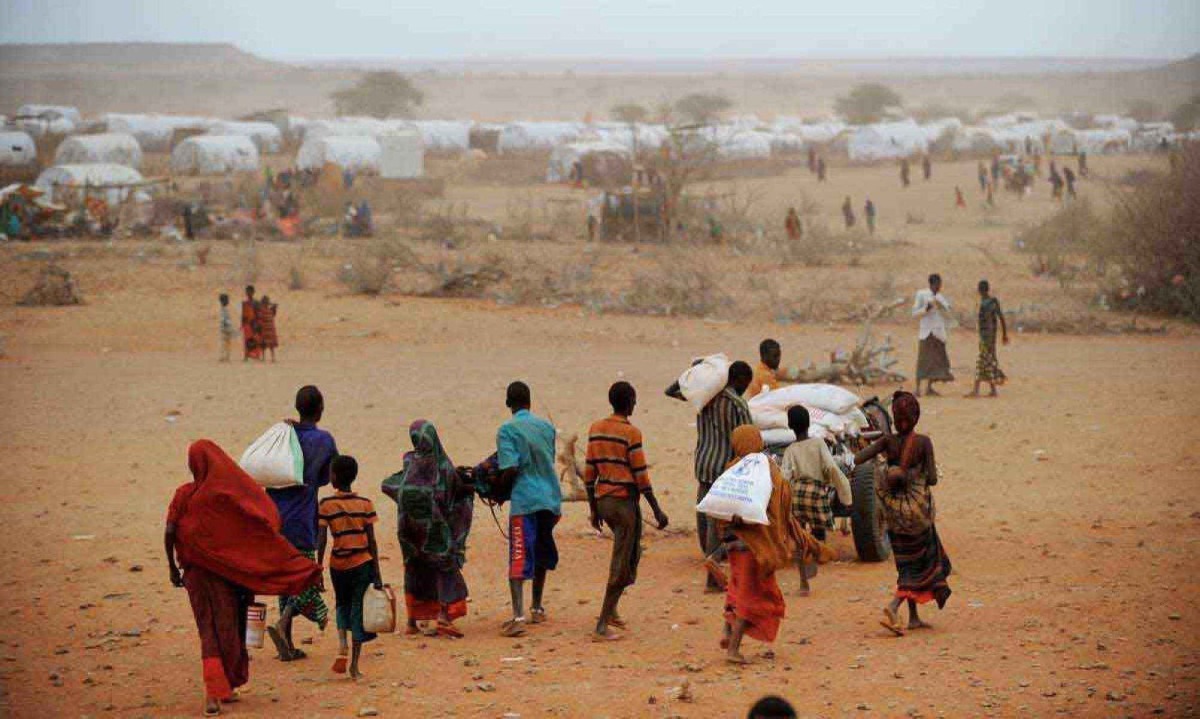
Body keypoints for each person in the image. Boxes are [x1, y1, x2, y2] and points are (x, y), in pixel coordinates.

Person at [166, 440, 322, 716]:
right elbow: (263, 515)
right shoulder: (229, 493)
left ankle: (217, 691)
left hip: (197, 575)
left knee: (209, 630)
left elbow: (170, 532)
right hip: (232, 574)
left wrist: (171, 567)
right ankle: (220, 690)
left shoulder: (184, 494)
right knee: (232, 626)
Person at [854, 392, 952, 635]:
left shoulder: (887, 441)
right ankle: (893, 606)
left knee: (905, 563)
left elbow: (858, 459)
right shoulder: (923, 443)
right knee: (919, 564)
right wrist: (913, 473)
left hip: (894, 516)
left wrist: (887, 463)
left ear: (895, 418)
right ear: (916, 416)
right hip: (918, 516)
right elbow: (932, 479)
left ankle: (914, 617)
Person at [718, 425, 812, 665]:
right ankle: (733, 650)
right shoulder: (768, 470)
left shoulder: (731, 469)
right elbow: (781, 500)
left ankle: (727, 633)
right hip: (756, 546)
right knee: (754, 595)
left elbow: (720, 506)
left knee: (737, 587)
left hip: (733, 543)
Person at [584, 382, 670, 641]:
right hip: (623, 503)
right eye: (634, 400)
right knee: (622, 560)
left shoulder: (596, 429)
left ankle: (611, 611)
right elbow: (641, 476)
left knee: (630, 554)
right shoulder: (631, 433)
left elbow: (590, 473)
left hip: (603, 501)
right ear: (629, 401)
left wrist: (593, 509)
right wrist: (657, 509)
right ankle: (601, 624)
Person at [381, 420, 474, 639]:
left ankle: (412, 622)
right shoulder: (442, 467)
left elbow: (389, 485)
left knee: (414, 569)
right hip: (434, 531)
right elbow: (456, 492)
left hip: (408, 531)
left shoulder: (409, 462)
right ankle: (443, 615)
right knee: (444, 567)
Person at [267, 386, 338, 661]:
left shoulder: (283, 433)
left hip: (273, 516)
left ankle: (287, 644)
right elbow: (329, 476)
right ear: (320, 408)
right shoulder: (324, 440)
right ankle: (284, 621)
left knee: (287, 574)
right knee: (304, 574)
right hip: (301, 517)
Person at [496, 381, 561, 637]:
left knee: (519, 556)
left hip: (524, 500)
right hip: (550, 498)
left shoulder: (507, 430)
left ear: (508, 403)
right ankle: (537, 607)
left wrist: (501, 489)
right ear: (530, 401)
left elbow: (510, 467)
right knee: (542, 551)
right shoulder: (546, 427)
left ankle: (518, 616)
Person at [317, 455, 382, 680]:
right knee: (358, 610)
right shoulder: (365, 504)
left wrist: (318, 568)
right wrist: (377, 573)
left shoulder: (326, 505)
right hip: (362, 563)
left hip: (338, 564)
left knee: (341, 604)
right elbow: (372, 541)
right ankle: (354, 666)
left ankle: (342, 644)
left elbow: (322, 540)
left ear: (333, 477)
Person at [693, 362, 754, 591]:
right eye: (744, 384)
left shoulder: (703, 398)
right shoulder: (737, 405)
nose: (744, 389)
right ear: (738, 379)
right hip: (725, 471)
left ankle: (713, 570)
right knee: (719, 527)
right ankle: (713, 578)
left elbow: (674, 390)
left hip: (704, 466)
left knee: (707, 523)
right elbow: (750, 438)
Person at [780, 406, 851, 594]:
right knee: (818, 531)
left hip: (797, 495)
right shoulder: (819, 443)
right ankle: (818, 551)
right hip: (817, 494)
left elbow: (784, 477)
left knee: (799, 536)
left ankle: (804, 583)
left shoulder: (790, 450)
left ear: (789, 426)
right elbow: (831, 467)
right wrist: (844, 492)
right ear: (810, 423)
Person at [913, 274, 954, 397]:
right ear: (931, 284)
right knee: (923, 361)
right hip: (926, 333)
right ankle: (917, 388)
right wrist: (925, 309)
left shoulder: (940, 297)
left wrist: (941, 306)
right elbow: (914, 313)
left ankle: (929, 388)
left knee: (936, 362)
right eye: (937, 285)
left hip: (938, 333)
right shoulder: (921, 294)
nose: (939, 287)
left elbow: (948, 312)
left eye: (940, 285)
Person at [968, 280, 1009, 398]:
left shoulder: (984, 304)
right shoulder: (993, 302)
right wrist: (1004, 334)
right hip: (992, 337)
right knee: (988, 361)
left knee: (982, 361)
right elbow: (1001, 318)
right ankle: (993, 390)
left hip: (985, 337)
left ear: (979, 291)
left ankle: (976, 390)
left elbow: (984, 323)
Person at [240, 285, 261, 362]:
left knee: (255, 339)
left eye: (250, 291)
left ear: (253, 292)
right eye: (247, 291)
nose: (249, 293)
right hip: (247, 325)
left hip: (254, 323)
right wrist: (242, 324)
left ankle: (256, 355)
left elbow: (259, 313)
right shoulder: (244, 303)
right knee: (247, 340)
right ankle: (246, 356)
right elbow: (243, 315)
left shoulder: (256, 303)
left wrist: (258, 324)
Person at [257, 295, 278, 363]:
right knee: (264, 345)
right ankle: (266, 358)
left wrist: (274, 308)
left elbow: (273, 315)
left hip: (268, 329)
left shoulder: (268, 310)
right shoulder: (263, 310)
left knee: (269, 345)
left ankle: (271, 358)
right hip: (266, 329)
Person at [218, 293, 234, 363]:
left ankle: (225, 357)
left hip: (225, 329)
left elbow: (224, 320)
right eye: (226, 300)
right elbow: (225, 320)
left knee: (226, 343)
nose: (228, 301)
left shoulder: (224, 310)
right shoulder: (224, 310)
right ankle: (224, 357)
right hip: (226, 329)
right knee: (225, 343)